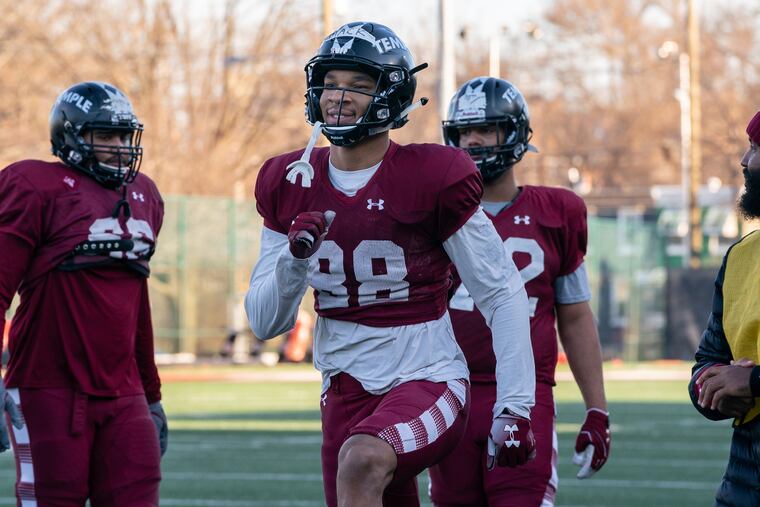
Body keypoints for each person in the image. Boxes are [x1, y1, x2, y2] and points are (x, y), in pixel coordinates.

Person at [245, 23, 536, 507]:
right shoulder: (289, 180)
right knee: (360, 473)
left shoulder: (432, 176)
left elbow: (501, 291)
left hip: (428, 376)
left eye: (358, 85)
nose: (339, 97)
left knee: (361, 462)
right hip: (343, 389)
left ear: (391, 95)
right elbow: (263, 322)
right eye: (332, 82)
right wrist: (295, 262)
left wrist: (516, 404)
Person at [428, 77, 610, 507]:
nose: (472, 141)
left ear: (514, 134)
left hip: (525, 394)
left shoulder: (558, 212)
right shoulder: (431, 209)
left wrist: (597, 408)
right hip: (446, 389)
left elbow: (576, 314)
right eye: (463, 132)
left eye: (485, 130)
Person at [0, 81, 168, 506]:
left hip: (124, 391)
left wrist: (150, 393)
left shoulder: (143, 194)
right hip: (47, 385)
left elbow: (136, 302)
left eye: (123, 136)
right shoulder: (35, 186)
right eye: (104, 136)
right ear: (72, 136)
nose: (118, 147)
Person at [688, 110, 760, 506]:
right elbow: (708, 360)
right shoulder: (740, 256)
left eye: (756, 148)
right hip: (743, 475)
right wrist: (711, 386)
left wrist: (751, 382)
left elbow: (747, 378)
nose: (745, 161)